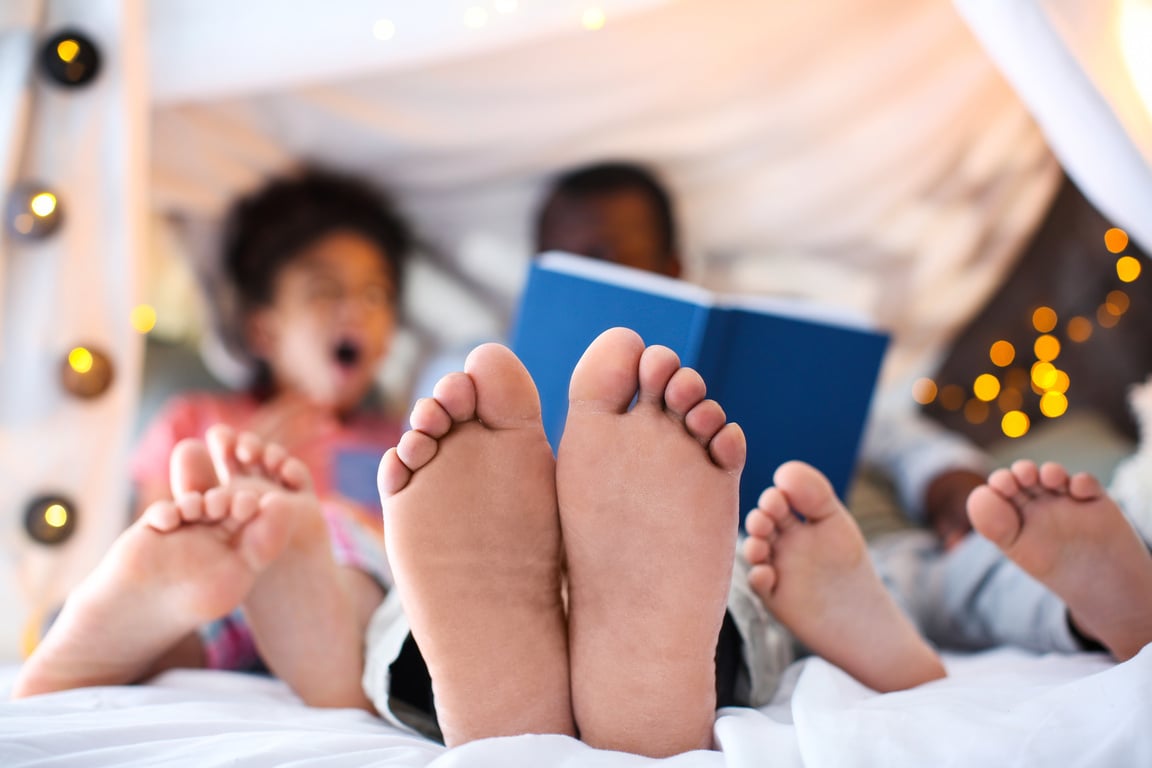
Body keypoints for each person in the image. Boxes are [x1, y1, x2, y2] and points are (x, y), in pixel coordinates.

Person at [373, 327, 1152, 756]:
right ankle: (617, 680)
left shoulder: (831, 373)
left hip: (836, 546)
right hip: (675, 547)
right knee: (443, 579)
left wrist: (953, 487)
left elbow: (913, 443)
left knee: (953, 562)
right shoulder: (497, 410)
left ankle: (1111, 597)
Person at [14, 167, 412, 707]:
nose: (354, 311)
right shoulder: (202, 426)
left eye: (375, 295)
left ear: (388, 339)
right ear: (262, 330)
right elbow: (156, 529)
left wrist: (341, 523)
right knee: (196, 584)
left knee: (351, 549)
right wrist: (226, 506)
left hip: (342, 588)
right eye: (325, 291)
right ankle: (127, 641)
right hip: (227, 580)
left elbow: (417, 555)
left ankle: (318, 616)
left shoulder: (400, 437)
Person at [533, 160, 988, 548]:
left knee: (933, 572)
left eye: (605, 257)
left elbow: (892, 437)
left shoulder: (745, 345)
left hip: (798, 546)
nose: (584, 280)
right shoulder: (492, 364)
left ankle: (1035, 582)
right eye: (558, 265)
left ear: (671, 267)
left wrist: (948, 482)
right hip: (625, 557)